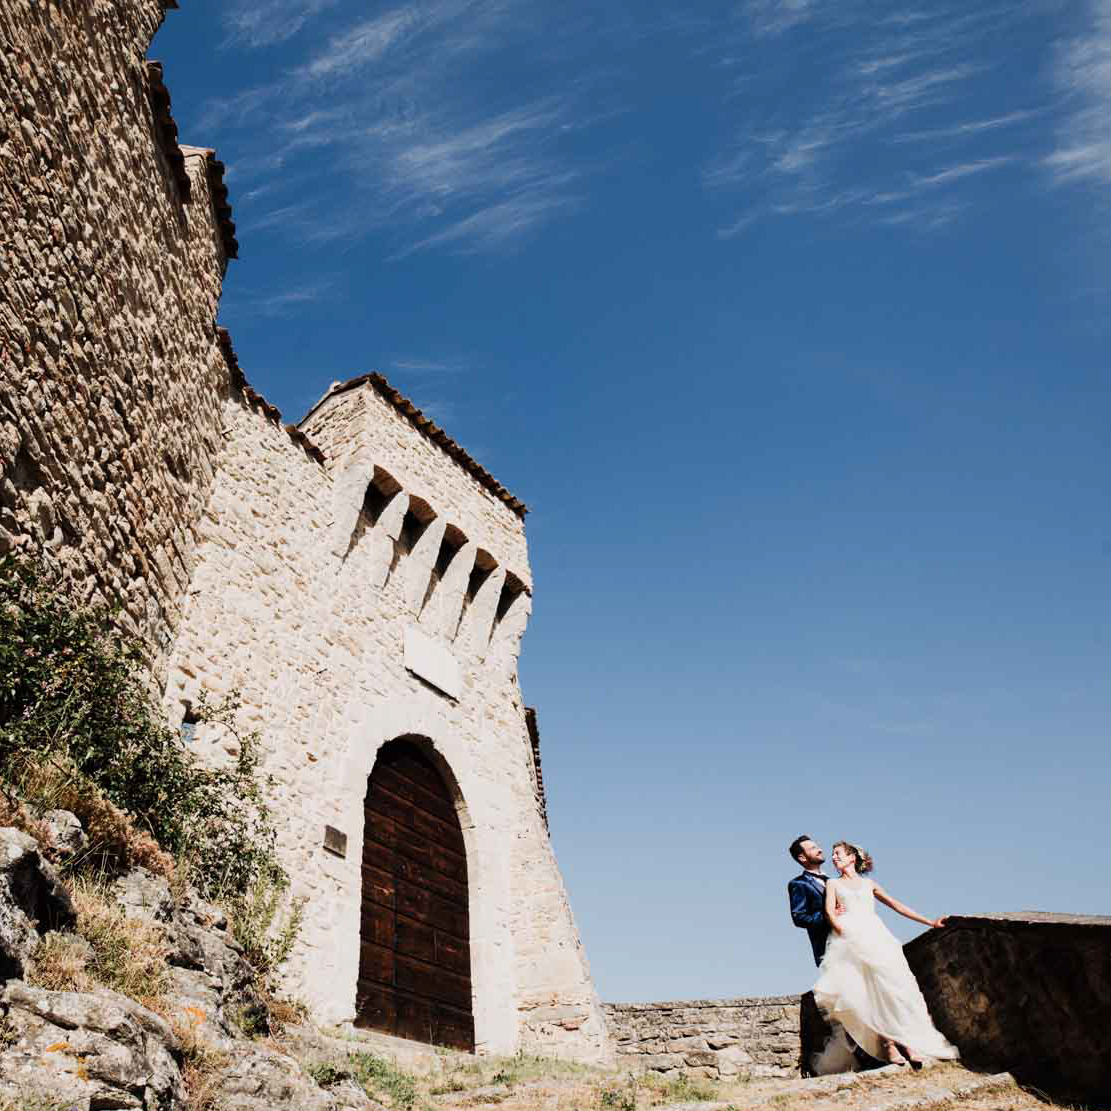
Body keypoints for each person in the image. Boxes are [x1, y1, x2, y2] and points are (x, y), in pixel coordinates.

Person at [813, 840, 959, 1068]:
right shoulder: (832, 883)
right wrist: (842, 930)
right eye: (832, 855)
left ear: (852, 858)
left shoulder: (868, 883)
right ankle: (889, 1045)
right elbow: (829, 912)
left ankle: (908, 1042)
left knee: (894, 989)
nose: (833, 858)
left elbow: (896, 905)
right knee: (868, 993)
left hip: (876, 936)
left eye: (838, 853)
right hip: (850, 940)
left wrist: (929, 921)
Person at [787, 834, 831, 965]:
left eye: (817, 846)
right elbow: (799, 917)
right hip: (828, 949)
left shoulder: (834, 881)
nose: (820, 850)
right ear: (802, 857)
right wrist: (828, 915)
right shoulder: (798, 884)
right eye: (813, 848)